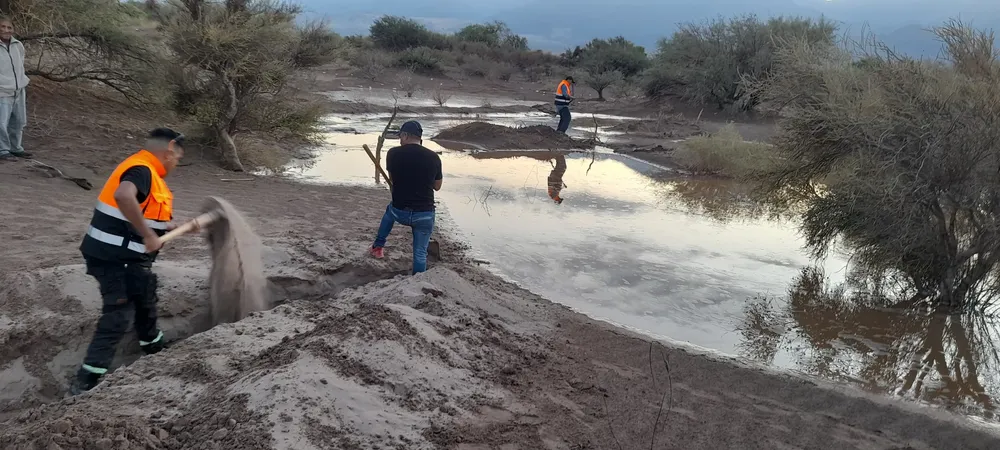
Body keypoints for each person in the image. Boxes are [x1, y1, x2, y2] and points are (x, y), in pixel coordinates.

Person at [72, 128, 188, 394]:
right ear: (169, 147)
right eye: (177, 157)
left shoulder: (150, 174)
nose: (176, 164)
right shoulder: (141, 169)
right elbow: (124, 197)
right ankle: (86, 380)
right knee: (118, 313)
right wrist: (149, 235)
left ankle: (153, 347)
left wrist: (167, 228)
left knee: (145, 297)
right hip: (113, 258)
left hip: (131, 258)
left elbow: (141, 213)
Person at [369, 120, 442, 274]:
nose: (400, 140)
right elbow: (437, 186)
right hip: (424, 215)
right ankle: (418, 280)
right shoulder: (434, 157)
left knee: (389, 212)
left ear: (405, 135)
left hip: (399, 211)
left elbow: (393, 179)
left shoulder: (393, 153)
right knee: (420, 253)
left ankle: (378, 246)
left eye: (400, 136)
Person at [0, 16, 29, 160]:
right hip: (2, 91)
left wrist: (21, 81)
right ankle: (3, 150)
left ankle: (16, 148)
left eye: (9, 27)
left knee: (18, 121)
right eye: (2, 27)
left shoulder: (18, 45)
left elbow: (20, 65)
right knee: (1, 122)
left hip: (19, 89)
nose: (6, 30)